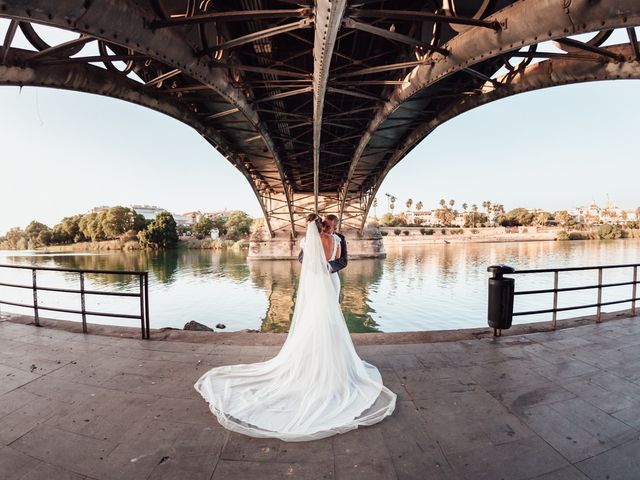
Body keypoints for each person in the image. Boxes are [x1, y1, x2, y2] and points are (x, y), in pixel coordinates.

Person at [194, 213, 396, 442]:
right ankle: (319, 360)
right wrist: (318, 264)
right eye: (328, 226)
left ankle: (329, 359)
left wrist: (325, 267)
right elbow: (303, 259)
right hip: (319, 282)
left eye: (332, 225)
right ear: (323, 225)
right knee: (319, 319)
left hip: (329, 280)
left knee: (328, 320)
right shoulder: (319, 241)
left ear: (335, 225)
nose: (331, 228)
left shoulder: (336, 238)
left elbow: (342, 261)